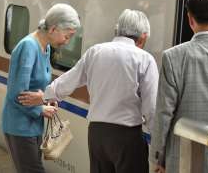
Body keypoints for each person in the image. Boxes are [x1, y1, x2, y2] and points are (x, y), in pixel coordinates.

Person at [20, 9, 158, 173]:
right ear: (142, 37)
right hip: (127, 137)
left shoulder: (95, 52)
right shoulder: (145, 59)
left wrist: (45, 95)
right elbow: (151, 109)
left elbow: (67, 82)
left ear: (117, 30)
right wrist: (158, 147)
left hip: (97, 135)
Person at [150, 0, 208, 173]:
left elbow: (163, 114)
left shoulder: (173, 57)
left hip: (183, 160)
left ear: (189, 18)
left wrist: (157, 158)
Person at [2, 3, 80, 173]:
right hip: (19, 126)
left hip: (32, 126)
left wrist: (47, 100)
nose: (67, 42)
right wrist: (40, 109)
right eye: (67, 37)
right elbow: (17, 94)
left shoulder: (46, 47)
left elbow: (37, 87)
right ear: (52, 29)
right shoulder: (28, 47)